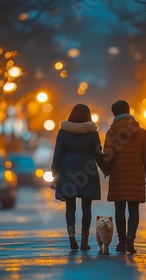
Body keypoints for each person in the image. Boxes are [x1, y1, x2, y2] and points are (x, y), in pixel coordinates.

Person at [102, 100, 146, 253]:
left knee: (119, 210)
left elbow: (107, 155)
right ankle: (131, 237)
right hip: (136, 176)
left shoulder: (112, 132)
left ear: (114, 114)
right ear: (129, 111)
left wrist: (106, 170)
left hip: (118, 176)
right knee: (133, 209)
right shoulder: (141, 132)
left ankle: (122, 242)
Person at [51, 104, 103, 250]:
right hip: (87, 169)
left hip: (68, 169)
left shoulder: (63, 132)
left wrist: (55, 171)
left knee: (70, 206)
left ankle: (71, 236)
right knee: (87, 207)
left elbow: (58, 153)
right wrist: (105, 168)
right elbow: (98, 153)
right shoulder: (92, 133)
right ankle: (84, 241)